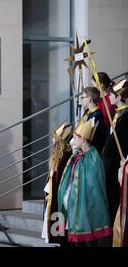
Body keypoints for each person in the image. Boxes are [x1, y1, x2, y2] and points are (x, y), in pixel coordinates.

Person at [58, 119, 112, 247]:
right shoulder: (76, 156)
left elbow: (94, 186)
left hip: (87, 209)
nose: (73, 141)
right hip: (73, 207)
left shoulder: (93, 158)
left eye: (75, 138)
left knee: (87, 242)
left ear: (82, 139)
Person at [102, 79, 128, 224]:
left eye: (111, 95)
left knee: (115, 193)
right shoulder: (117, 113)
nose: (109, 97)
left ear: (118, 97)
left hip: (118, 160)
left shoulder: (125, 116)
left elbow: (121, 141)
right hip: (110, 159)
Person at [42, 122, 72, 245]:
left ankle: (61, 241)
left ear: (60, 140)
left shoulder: (65, 157)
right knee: (56, 221)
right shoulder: (57, 155)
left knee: (60, 220)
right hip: (53, 194)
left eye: (55, 137)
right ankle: (57, 240)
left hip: (59, 195)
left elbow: (60, 178)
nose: (53, 139)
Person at [78, 86, 108, 154]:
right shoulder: (87, 113)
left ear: (89, 99)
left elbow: (93, 138)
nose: (81, 100)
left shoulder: (98, 115)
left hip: (92, 152)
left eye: (82, 97)